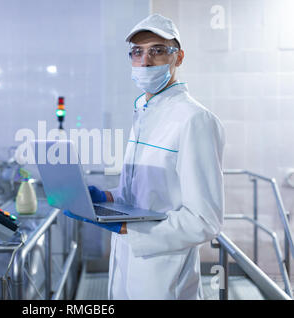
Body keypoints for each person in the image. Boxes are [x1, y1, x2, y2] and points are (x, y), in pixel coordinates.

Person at [63, 13, 225, 299]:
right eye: (138, 52)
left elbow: (204, 220)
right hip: (126, 267)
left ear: (179, 57)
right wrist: (107, 198)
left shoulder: (194, 120)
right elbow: (140, 193)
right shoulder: (144, 114)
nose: (146, 61)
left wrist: (127, 229)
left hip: (165, 277)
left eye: (157, 51)